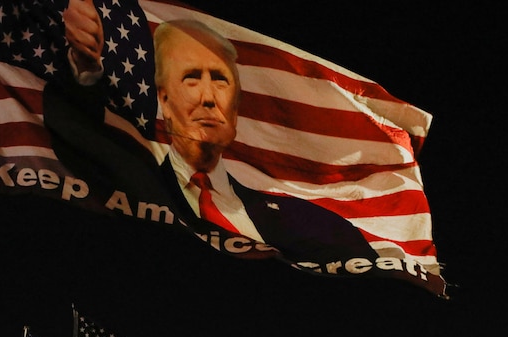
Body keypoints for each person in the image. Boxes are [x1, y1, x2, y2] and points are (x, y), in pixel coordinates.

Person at [56, 1, 377, 261]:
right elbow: (70, 127)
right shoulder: (129, 175)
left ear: (236, 108)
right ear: (164, 100)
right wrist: (85, 67)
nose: (208, 98)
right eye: (191, 78)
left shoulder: (310, 223)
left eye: (220, 80)